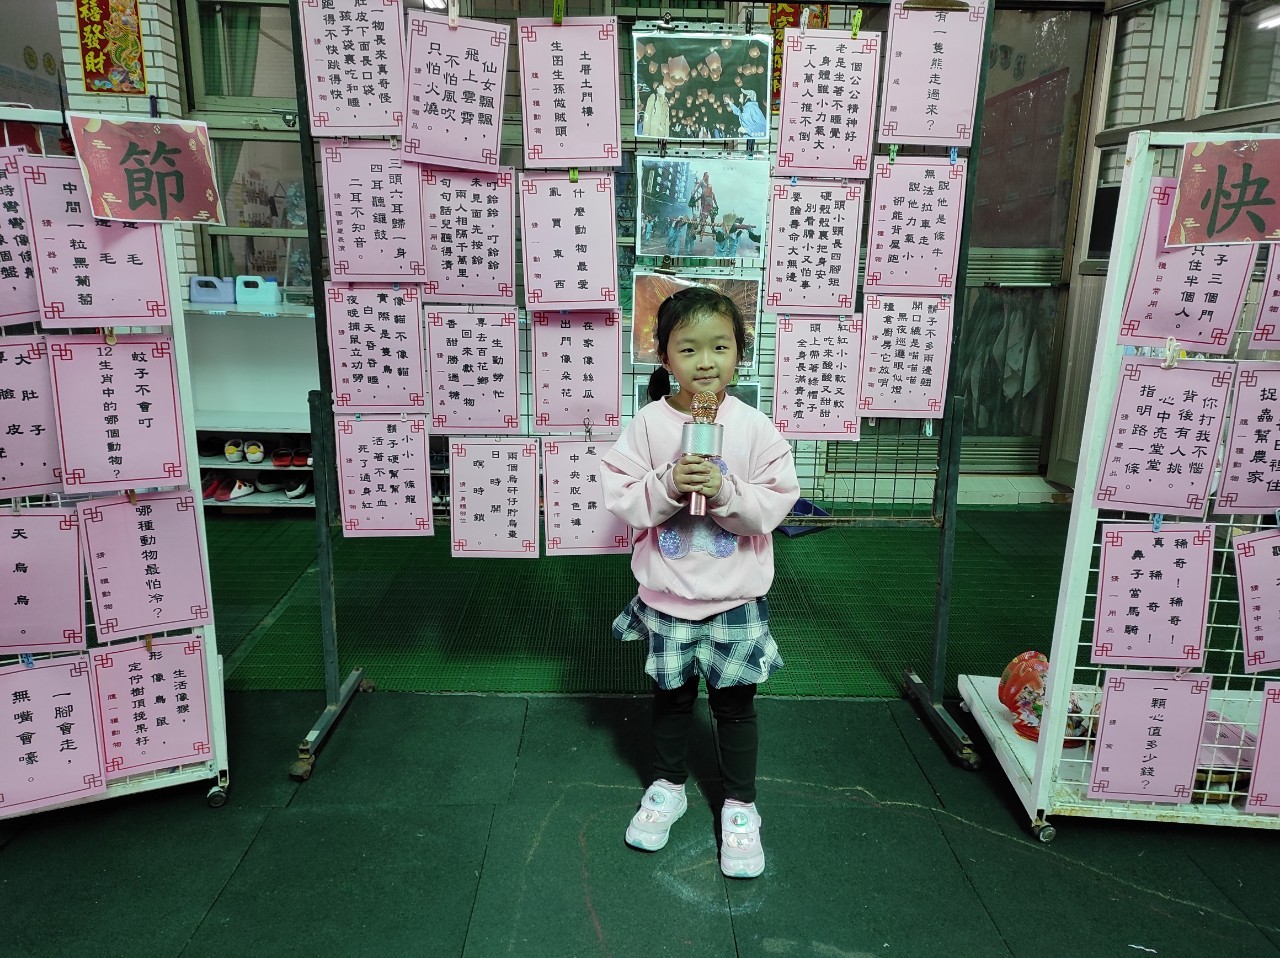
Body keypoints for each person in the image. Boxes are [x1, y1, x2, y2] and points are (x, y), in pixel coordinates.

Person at [602, 285, 800, 879]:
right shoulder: (648, 425)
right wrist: (668, 484)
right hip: (668, 594)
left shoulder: (756, 428)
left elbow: (773, 506)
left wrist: (726, 491)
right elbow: (622, 496)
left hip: (735, 597)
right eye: (688, 349)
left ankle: (740, 805)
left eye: (720, 346)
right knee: (671, 699)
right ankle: (668, 786)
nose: (705, 362)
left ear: (740, 352)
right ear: (664, 356)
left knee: (735, 706)